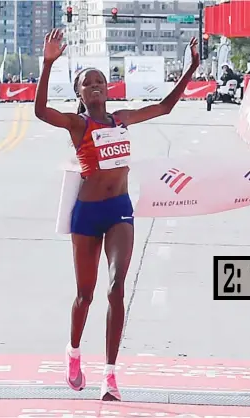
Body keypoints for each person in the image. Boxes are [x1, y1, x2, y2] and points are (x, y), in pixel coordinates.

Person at [34, 28, 199, 401]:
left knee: (116, 288)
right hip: (87, 216)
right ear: (79, 94)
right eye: (87, 83)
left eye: (100, 82)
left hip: (119, 211)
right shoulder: (78, 125)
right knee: (85, 295)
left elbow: (165, 107)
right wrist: (47, 65)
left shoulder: (121, 119)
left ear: (108, 90)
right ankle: (73, 353)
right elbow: (41, 111)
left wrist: (191, 68)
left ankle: (110, 375)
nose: (94, 86)